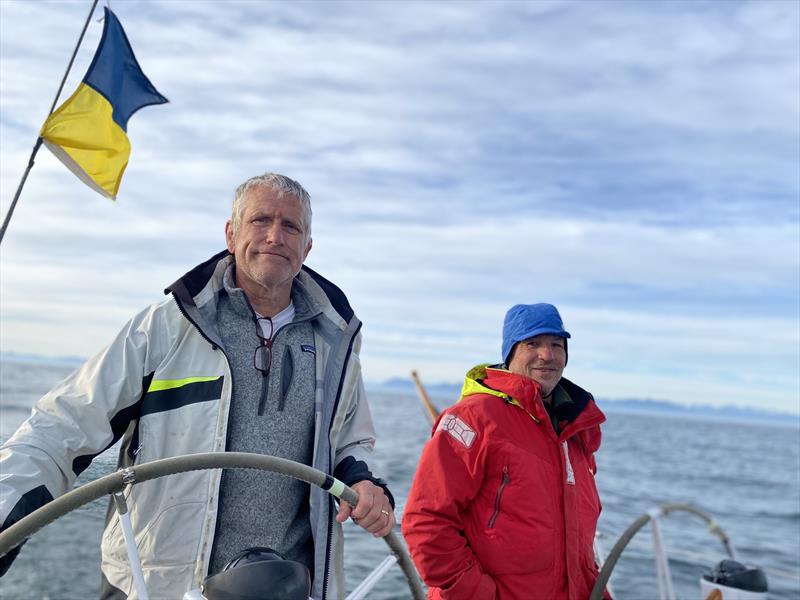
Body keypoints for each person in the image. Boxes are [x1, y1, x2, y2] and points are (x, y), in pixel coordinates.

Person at [0, 173, 395, 599]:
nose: (275, 236)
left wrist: (366, 483)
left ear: (308, 247)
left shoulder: (336, 343)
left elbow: (351, 441)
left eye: (291, 226)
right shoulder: (167, 326)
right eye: (260, 220)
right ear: (231, 234)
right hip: (157, 585)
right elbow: (61, 428)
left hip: (288, 585)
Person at [402, 303, 609, 600]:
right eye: (533, 343)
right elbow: (427, 522)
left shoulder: (573, 431)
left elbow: (577, 544)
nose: (547, 355)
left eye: (556, 344)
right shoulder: (473, 418)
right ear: (510, 352)